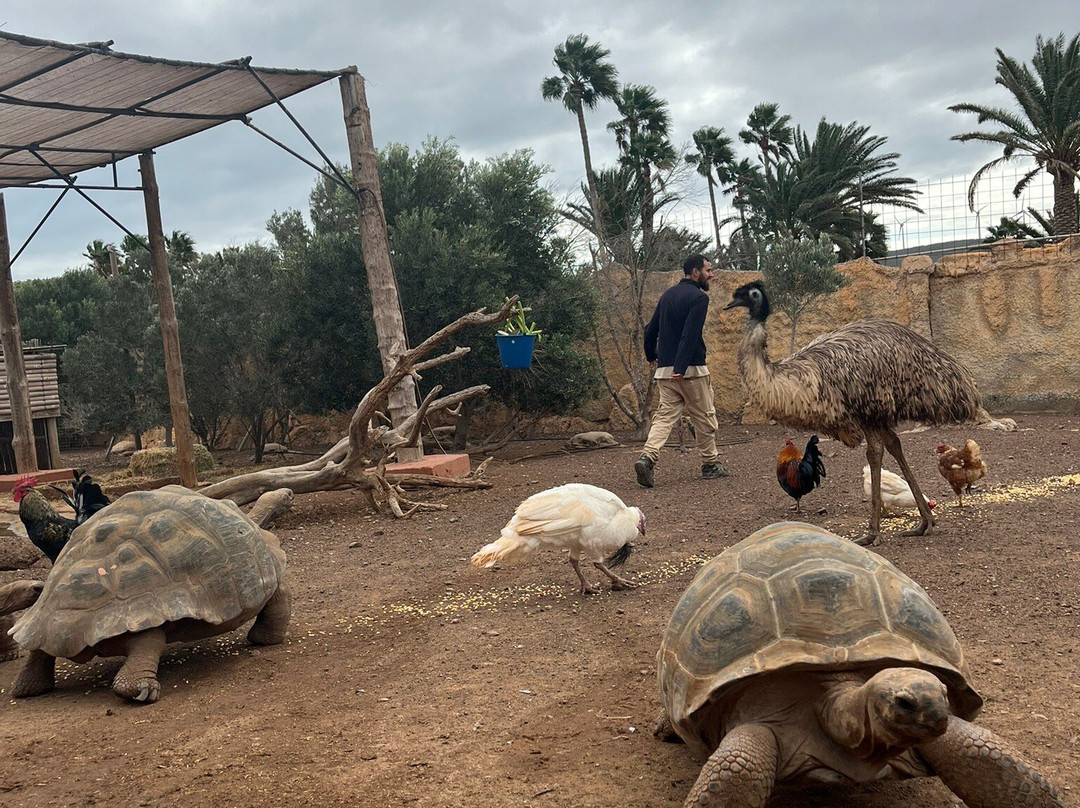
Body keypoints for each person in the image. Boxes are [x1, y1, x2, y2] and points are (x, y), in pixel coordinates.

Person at [634, 253, 727, 488]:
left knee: (664, 418)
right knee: (705, 417)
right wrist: (681, 367)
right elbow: (690, 334)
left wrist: (652, 357)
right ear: (695, 272)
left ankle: (647, 457)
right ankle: (710, 464)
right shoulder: (698, 298)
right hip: (691, 370)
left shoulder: (667, 295)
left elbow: (649, 330)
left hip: (665, 371)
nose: (711, 274)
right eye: (708, 270)